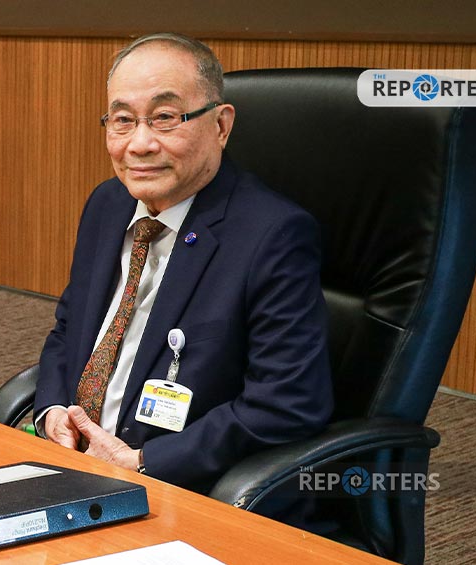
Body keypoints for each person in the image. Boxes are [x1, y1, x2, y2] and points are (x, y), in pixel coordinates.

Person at [34, 32, 332, 494]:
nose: (139, 144)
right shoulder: (108, 204)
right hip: (71, 461)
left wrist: (142, 462)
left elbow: (288, 403)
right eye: (122, 120)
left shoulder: (273, 236)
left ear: (221, 125)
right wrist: (52, 410)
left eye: (165, 118)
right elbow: (69, 330)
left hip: (174, 484)